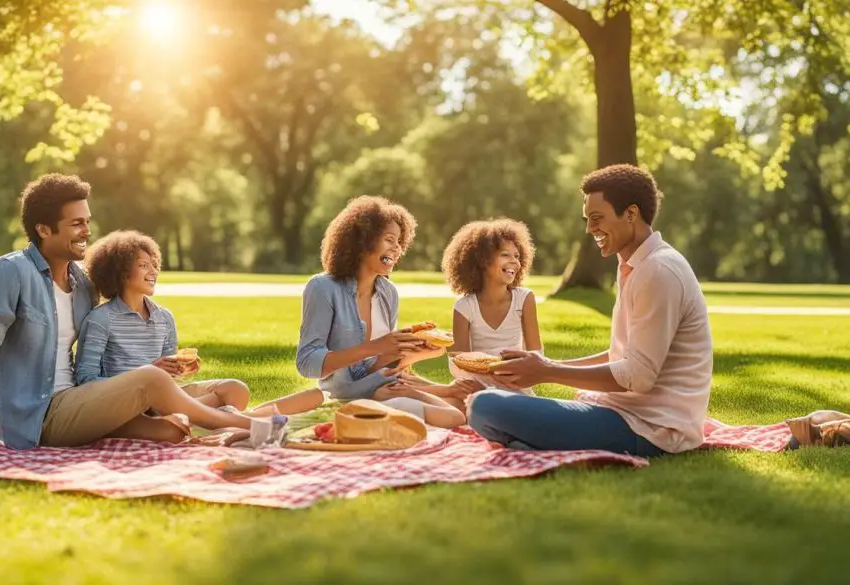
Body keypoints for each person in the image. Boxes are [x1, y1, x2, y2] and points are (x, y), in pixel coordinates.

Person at [0, 174, 255, 450]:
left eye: (87, 222)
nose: (87, 232)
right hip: (36, 415)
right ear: (44, 229)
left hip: (80, 399)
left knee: (173, 426)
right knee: (154, 380)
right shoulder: (9, 273)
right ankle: (247, 425)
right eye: (76, 223)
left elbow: (110, 332)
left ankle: (191, 420)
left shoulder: (82, 283)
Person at [468, 164, 713, 456]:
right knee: (483, 402)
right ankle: (535, 445)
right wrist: (542, 363)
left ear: (631, 214)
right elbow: (622, 355)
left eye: (597, 218)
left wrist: (547, 371)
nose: (589, 229)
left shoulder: (659, 271)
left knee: (486, 406)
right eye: (587, 219)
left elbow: (639, 376)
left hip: (651, 428)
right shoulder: (636, 265)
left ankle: (536, 446)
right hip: (625, 413)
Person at [75, 230, 321, 417]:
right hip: (125, 406)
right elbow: (86, 382)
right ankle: (238, 419)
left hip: (164, 403)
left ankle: (200, 417)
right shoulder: (100, 320)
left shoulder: (164, 318)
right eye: (143, 265)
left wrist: (178, 370)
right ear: (120, 272)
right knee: (207, 404)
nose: (153, 271)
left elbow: (167, 380)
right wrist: (147, 374)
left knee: (236, 390)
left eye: (154, 264)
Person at [294, 195, 467, 428]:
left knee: (463, 403)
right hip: (346, 397)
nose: (396, 249)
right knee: (455, 415)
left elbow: (379, 366)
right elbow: (307, 363)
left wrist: (414, 352)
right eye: (389, 240)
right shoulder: (323, 288)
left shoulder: (388, 293)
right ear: (362, 241)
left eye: (399, 242)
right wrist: (376, 347)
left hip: (384, 387)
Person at [441, 218, 543, 406]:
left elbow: (536, 354)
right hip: (475, 384)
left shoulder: (524, 299)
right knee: (448, 408)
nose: (514, 261)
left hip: (514, 384)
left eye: (517, 256)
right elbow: (458, 361)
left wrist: (512, 372)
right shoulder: (464, 306)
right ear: (482, 260)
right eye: (505, 254)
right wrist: (484, 379)